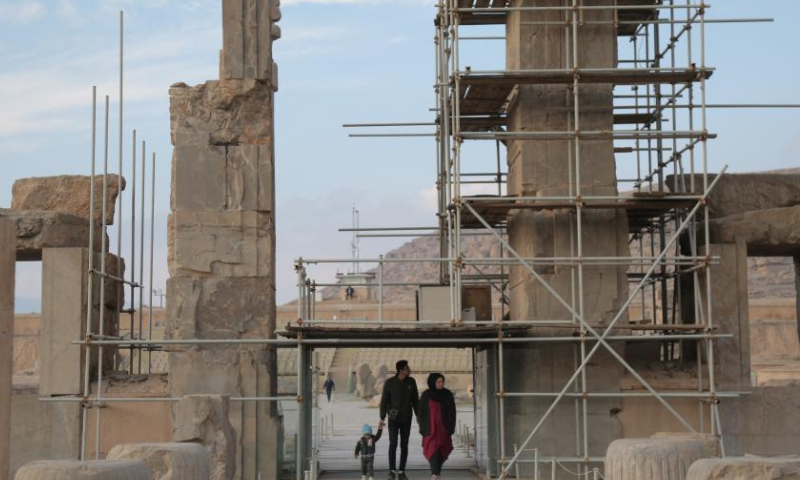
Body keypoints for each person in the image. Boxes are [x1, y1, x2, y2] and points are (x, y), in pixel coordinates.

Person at [379, 360, 419, 480]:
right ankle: (391, 471)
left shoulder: (411, 382)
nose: (409, 369)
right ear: (401, 370)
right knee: (393, 443)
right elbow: (384, 401)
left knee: (404, 444)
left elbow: (415, 400)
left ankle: (401, 471)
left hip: (407, 417)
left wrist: (419, 416)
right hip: (393, 417)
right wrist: (382, 417)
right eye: (407, 368)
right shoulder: (390, 383)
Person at [418, 373, 455, 480]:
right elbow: (421, 412)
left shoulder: (447, 394)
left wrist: (451, 427)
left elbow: (452, 412)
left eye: (442, 381)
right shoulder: (426, 395)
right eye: (438, 382)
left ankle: (436, 472)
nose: (441, 384)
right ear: (432, 382)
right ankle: (435, 473)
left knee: (442, 449)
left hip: (443, 428)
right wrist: (422, 427)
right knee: (432, 449)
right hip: (430, 428)